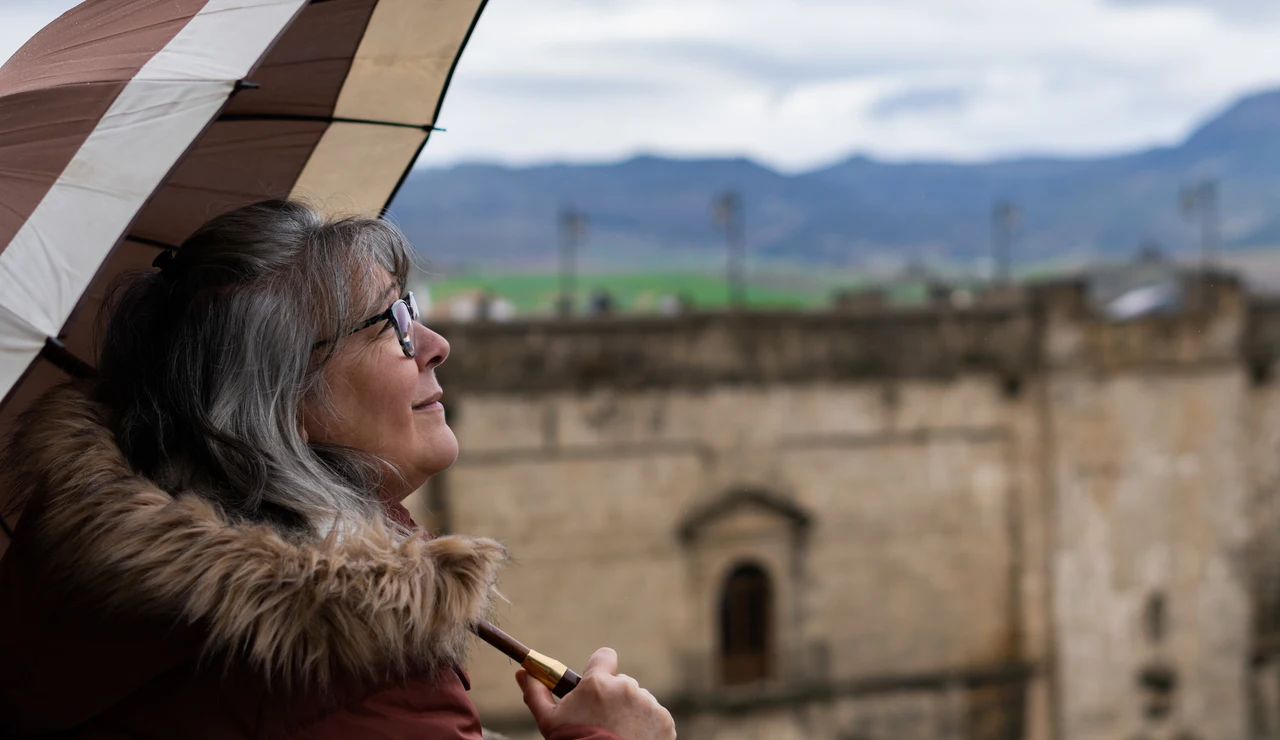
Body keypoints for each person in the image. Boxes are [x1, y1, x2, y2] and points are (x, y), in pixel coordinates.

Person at [0, 200, 676, 740]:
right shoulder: (341, 663)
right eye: (392, 324)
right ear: (283, 399)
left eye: (412, 311)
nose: (436, 345)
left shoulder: (76, 584)